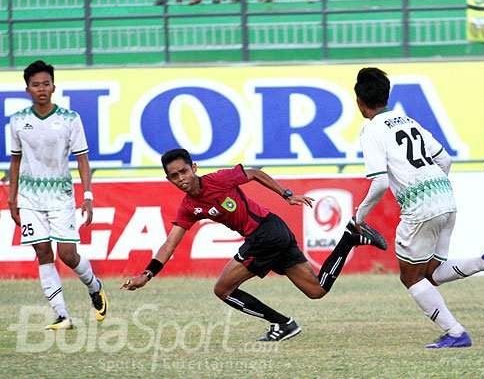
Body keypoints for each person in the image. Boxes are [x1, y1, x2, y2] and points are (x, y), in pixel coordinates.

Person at [121, 148, 387, 341]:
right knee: (316, 290)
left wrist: (288, 195)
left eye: (184, 171)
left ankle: (282, 323)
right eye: (174, 176)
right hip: (272, 234)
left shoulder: (219, 180)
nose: (182, 178)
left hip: (266, 233)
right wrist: (147, 274)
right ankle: (350, 237)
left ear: (194, 167)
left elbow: (255, 174)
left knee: (223, 289)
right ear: (169, 180)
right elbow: (170, 244)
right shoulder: (188, 207)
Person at [352, 68, 484, 349]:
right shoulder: (408, 121)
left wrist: (359, 216)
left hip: (421, 206)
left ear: (359, 101)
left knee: (410, 277)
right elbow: (446, 160)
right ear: (387, 95)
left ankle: (455, 334)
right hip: (445, 197)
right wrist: (433, 189)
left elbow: (379, 182)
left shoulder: (371, 131)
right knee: (433, 272)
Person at [7, 60, 107, 330]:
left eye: (46, 84)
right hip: (29, 197)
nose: (41, 88)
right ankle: (62, 315)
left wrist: (88, 195)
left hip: (61, 195)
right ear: (27, 88)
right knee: (42, 251)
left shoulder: (70, 119)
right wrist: (11, 197)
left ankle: (95, 286)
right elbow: (15, 161)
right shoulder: (17, 121)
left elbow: (83, 159)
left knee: (67, 254)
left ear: (54, 87)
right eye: (36, 84)